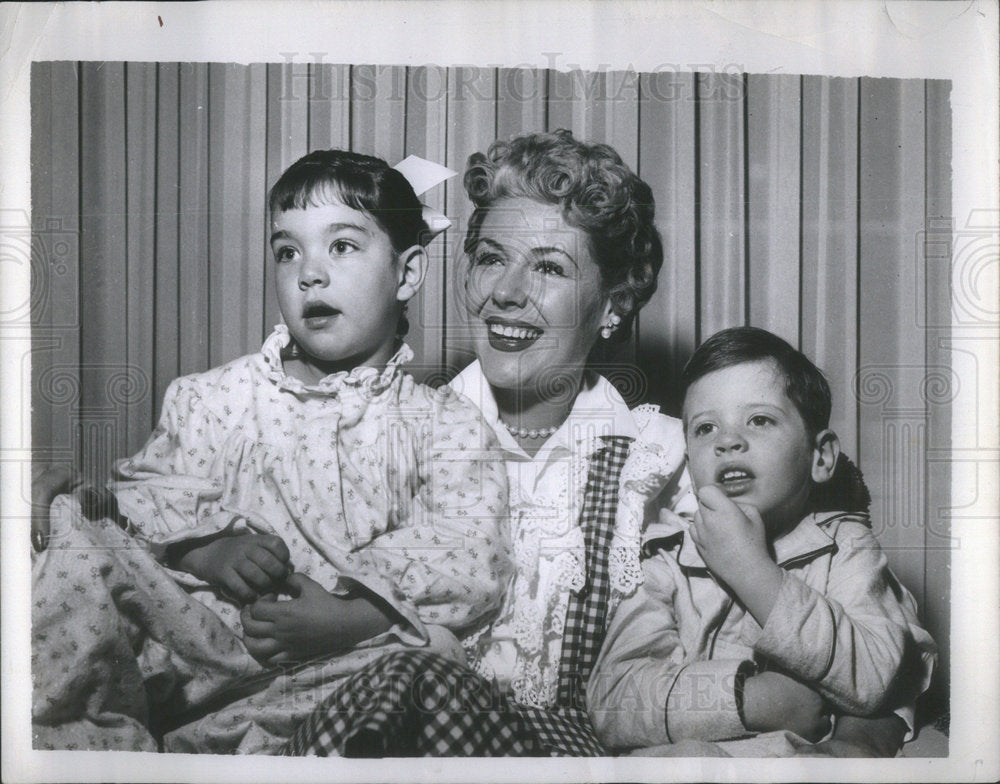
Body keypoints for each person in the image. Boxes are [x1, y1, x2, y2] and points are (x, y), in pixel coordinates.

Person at [31, 149, 511, 753]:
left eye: (342, 247)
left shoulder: (442, 424)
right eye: (289, 251)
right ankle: (82, 749)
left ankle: (267, 743)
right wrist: (209, 549)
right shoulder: (211, 399)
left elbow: (473, 555)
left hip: (339, 660)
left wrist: (355, 615)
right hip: (201, 642)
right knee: (76, 535)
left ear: (407, 274)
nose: (309, 273)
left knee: (434, 668)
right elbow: (148, 499)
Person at [282, 129, 698, 757]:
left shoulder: (663, 461)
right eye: (492, 258)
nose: (505, 292)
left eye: (550, 267)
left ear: (612, 304)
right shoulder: (383, 432)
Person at [587, 326, 937, 756]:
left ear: (821, 457)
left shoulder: (846, 547)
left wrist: (751, 571)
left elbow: (877, 678)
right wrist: (751, 701)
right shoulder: (664, 557)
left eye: (759, 420)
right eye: (705, 428)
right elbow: (612, 702)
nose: (728, 441)